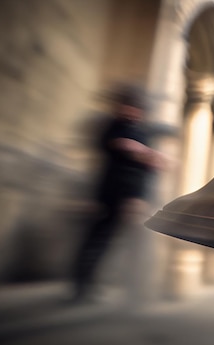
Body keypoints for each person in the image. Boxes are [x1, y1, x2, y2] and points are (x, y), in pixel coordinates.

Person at [71, 84, 166, 302]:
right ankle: (82, 286)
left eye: (133, 108)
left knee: (120, 241)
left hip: (130, 197)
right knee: (98, 239)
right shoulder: (114, 127)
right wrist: (145, 153)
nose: (129, 111)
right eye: (125, 106)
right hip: (108, 193)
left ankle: (129, 287)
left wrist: (139, 197)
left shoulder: (142, 132)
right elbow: (119, 144)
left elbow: (148, 167)